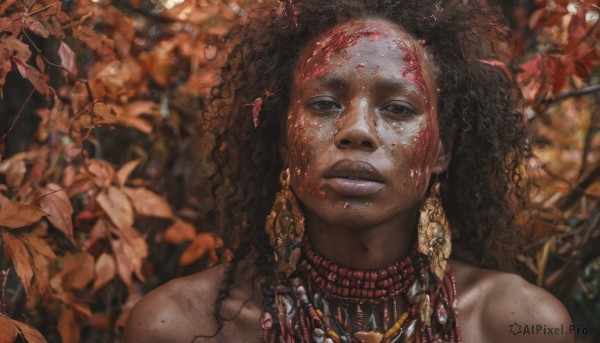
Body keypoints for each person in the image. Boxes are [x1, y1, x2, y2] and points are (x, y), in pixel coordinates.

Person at [123, 0, 574, 342]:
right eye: (324, 104)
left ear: (441, 150)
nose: (357, 130)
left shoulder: (520, 322)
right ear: (284, 140)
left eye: (398, 108)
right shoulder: (179, 324)